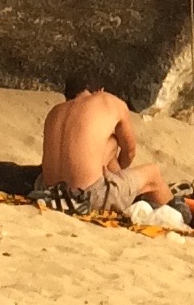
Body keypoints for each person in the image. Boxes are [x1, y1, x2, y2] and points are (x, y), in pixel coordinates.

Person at [40, 85, 174, 215]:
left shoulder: (55, 111)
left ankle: (119, 185)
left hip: (47, 192)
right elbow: (130, 151)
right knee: (153, 172)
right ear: (100, 90)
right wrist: (120, 174)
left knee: (110, 143)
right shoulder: (108, 101)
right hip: (88, 197)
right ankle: (179, 215)